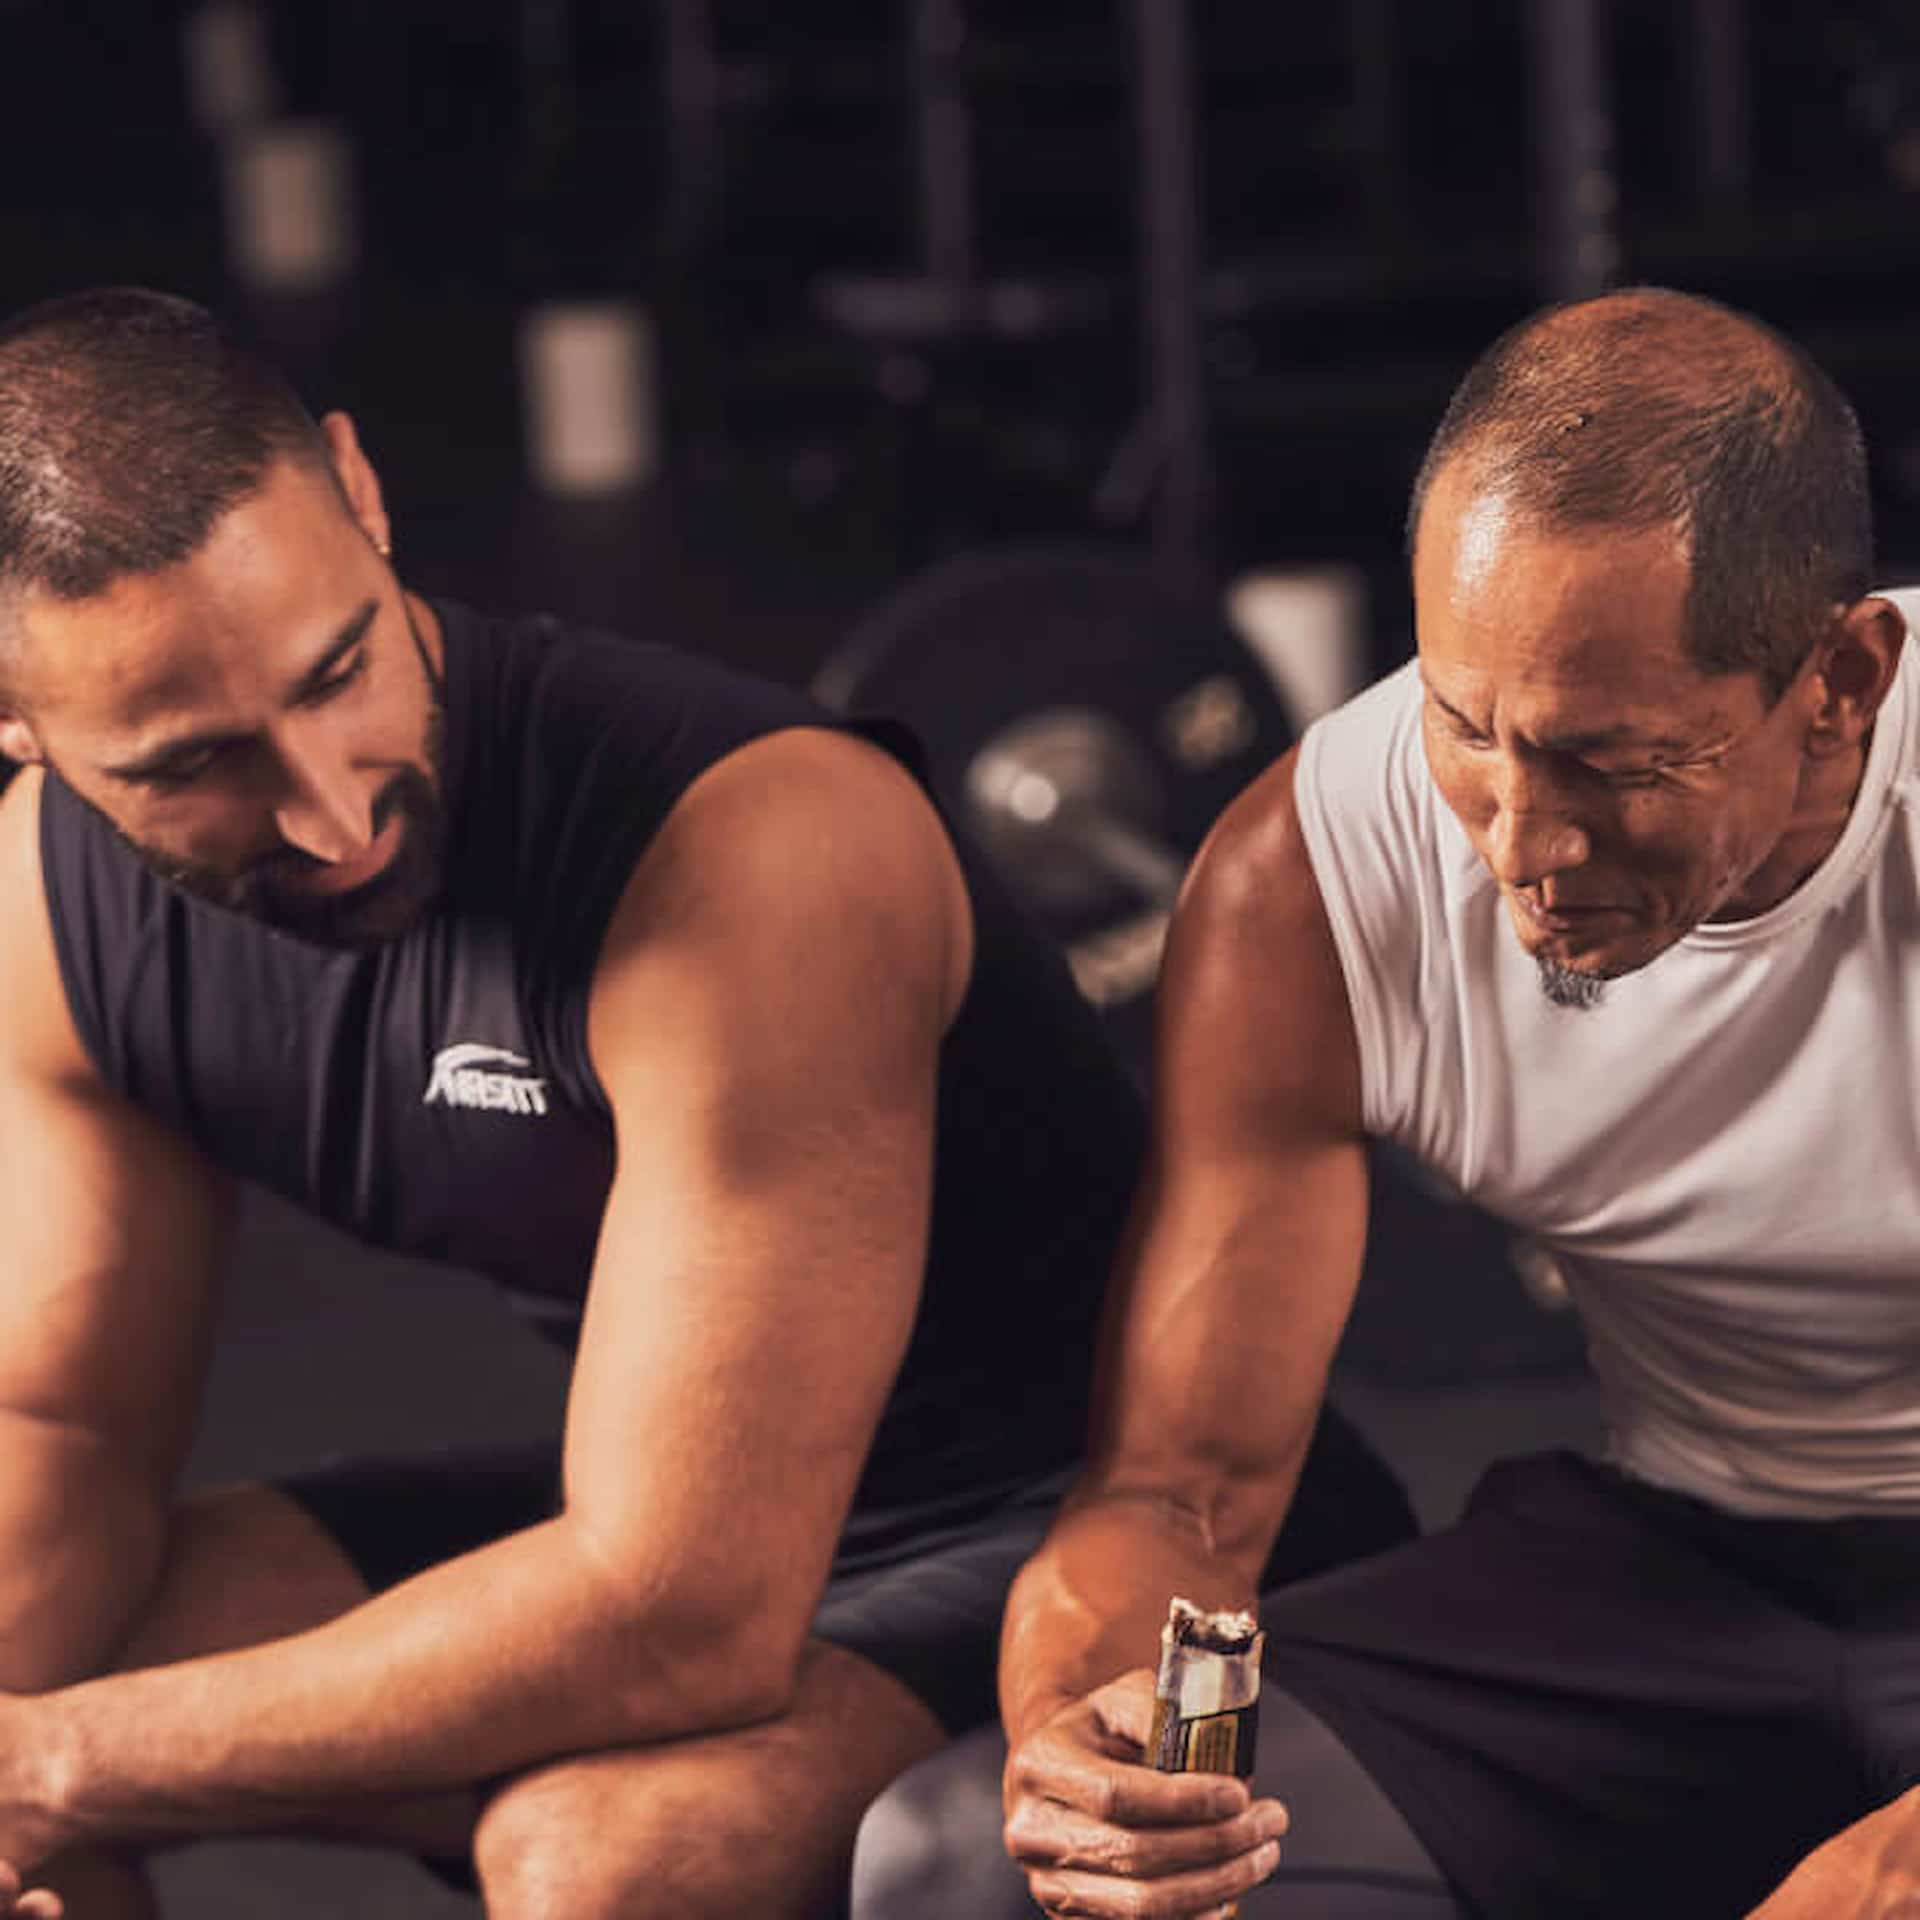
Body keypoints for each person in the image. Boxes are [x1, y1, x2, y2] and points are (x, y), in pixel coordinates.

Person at [0, 286, 1415, 1918]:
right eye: (190, 764)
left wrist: (50, 1765)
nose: (329, 815)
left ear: (361, 493)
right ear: (27, 733)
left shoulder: (753, 849)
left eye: (339, 670)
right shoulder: (50, 920)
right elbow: (63, 1434)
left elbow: (685, 1608)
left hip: (1113, 1529)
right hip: (699, 1485)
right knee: (74, 1647)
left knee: (601, 1862)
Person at [854, 284, 1920, 1920]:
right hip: (1676, 1597)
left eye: (1616, 766)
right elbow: (1181, 1495)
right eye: (1467, 729)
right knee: (960, 1876)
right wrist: (1105, 1758)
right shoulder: (1313, 878)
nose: (1521, 848)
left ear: (1842, 679)